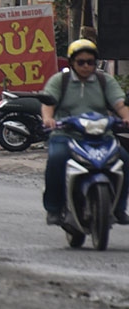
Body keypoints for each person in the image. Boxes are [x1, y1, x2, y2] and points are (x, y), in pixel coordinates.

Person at [40, 39, 129, 226]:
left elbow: (119, 104)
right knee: (57, 158)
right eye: (81, 62)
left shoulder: (105, 81)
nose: (86, 66)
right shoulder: (60, 81)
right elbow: (48, 104)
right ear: (72, 62)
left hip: (102, 137)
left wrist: (126, 116)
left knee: (124, 160)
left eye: (91, 62)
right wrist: (49, 119)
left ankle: (119, 208)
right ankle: (54, 209)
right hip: (66, 136)